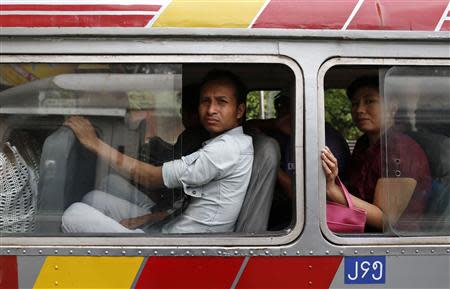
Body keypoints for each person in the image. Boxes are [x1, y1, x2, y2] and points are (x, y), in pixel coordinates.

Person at [61, 70, 253, 234]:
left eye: (221, 102)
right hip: (171, 225)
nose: (211, 109)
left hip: (178, 247)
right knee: (94, 198)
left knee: (73, 214)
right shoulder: (228, 142)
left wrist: (94, 143)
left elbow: (152, 178)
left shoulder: (226, 149)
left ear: (239, 110)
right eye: (206, 101)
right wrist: (151, 217)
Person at [321, 76, 431, 232]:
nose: (359, 110)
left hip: (390, 243)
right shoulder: (363, 144)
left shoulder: (401, 150)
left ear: (392, 107)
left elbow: (386, 220)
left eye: (369, 101)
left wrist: (333, 191)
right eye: (355, 104)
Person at [245, 93, 350, 230]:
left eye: (287, 105)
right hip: (285, 212)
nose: (281, 110)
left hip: (316, 220)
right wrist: (274, 125)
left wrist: (272, 167)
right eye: (279, 105)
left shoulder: (325, 141)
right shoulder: (283, 133)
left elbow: (307, 196)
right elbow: (247, 126)